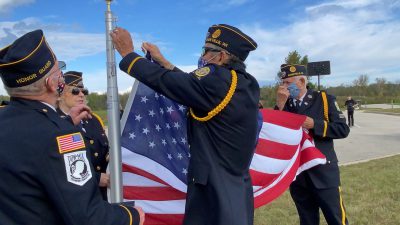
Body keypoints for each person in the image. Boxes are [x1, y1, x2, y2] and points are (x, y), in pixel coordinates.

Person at [111, 24, 259, 225]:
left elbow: (173, 83)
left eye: (207, 51)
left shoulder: (217, 80)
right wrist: (164, 62)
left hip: (214, 191)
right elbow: (196, 89)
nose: (203, 56)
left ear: (222, 56)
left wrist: (128, 55)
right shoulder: (242, 82)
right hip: (233, 187)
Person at [0, 29, 144, 225]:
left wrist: (65, 124)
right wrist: (131, 216)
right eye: (59, 70)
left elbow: (31, 150)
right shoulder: (60, 135)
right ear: (53, 83)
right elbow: (87, 216)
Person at [275, 64, 350, 225]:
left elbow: (342, 129)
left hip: (323, 173)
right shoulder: (285, 104)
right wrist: (280, 106)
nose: (284, 87)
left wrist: (314, 125)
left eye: (288, 83)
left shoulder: (323, 99)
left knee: (336, 218)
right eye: (283, 83)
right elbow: (276, 134)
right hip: (299, 175)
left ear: (301, 81)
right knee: (307, 220)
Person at [57, 71, 110, 201]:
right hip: (74, 196)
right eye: (75, 91)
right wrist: (96, 178)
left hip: (101, 196)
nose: (81, 94)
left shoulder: (94, 119)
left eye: (83, 91)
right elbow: (57, 165)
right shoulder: (55, 123)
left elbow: (104, 151)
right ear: (60, 95)